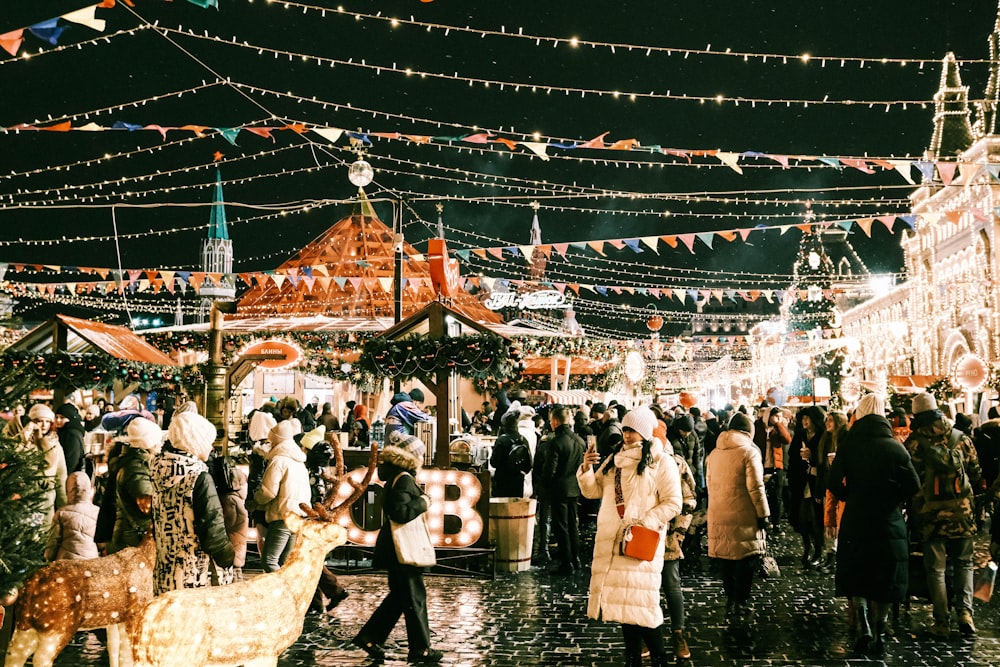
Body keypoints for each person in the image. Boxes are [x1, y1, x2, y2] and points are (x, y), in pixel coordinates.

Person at [577, 406, 682, 667]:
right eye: (625, 429)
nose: (627, 435)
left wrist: (644, 522)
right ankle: (633, 659)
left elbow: (673, 503)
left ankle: (660, 658)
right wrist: (587, 468)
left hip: (640, 541)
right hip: (613, 542)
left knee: (643, 606)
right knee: (625, 607)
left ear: (645, 432)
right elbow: (592, 492)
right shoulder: (615, 460)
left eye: (632, 430)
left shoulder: (660, 461)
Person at [829, 393, 920, 656]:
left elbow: (833, 482)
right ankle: (879, 632)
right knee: (885, 575)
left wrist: (851, 496)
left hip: (856, 518)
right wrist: (893, 498)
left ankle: (863, 625)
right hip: (888, 521)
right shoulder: (895, 447)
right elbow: (913, 486)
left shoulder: (848, 444)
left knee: (858, 572)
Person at [352, 437, 443, 663]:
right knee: (414, 598)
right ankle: (420, 649)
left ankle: (370, 637)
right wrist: (423, 501)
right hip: (402, 550)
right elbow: (400, 512)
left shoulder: (395, 476)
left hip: (395, 548)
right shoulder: (403, 479)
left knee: (400, 599)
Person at [905, 392, 982, 638]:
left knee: (936, 570)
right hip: (963, 513)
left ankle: (941, 621)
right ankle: (966, 614)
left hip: (931, 516)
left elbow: (910, 478)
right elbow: (976, 472)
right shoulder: (961, 438)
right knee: (964, 563)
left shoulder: (916, 442)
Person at [149, 411, 234, 594]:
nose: (211, 447)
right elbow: (213, 531)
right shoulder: (198, 477)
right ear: (195, 442)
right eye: (208, 441)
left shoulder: (158, 470)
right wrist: (228, 556)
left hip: (165, 571)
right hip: (193, 576)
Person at [706, 412, 770, 622]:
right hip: (744, 515)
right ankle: (740, 602)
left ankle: (731, 599)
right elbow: (756, 488)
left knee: (726, 558)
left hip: (719, 511)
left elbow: (709, 485)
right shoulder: (749, 453)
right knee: (745, 560)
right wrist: (764, 515)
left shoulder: (714, 453)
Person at [252, 420, 312, 573]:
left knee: (269, 560)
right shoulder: (299, 462)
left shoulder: (278, 461)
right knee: (284, 563)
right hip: (297, 516)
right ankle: (288, 593)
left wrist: (256, 500)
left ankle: (285, 593)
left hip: (282, 516)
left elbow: (268, 492)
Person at [661, 434, 698, 659]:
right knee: (645, 587)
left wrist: (677, 534)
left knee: (671, 584)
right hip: (640, 533)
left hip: (668, 536)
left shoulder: (676, 463)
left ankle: (678, 632)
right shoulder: (635, 461)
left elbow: (689, 499)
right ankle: (647, 634)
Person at [540, 406, 586, 575]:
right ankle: (576, 558)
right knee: (573, 524)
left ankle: (567, 563)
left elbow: (550, 470)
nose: (551, 423)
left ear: (556, 421)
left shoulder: (555, 442)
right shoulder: (579, 441)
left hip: (559, 488)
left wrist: (544, 485)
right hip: (575, 487)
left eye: (551, 420)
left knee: (561, 526)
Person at [108, 416, 161, 554]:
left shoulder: (134, 462)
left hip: (130, 535)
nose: (160, 445)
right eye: (157, 441)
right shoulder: (136, 468)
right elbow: (147, 505)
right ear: (148, 443)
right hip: (133, 539)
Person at [787, 405, 826, 568]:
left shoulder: (823, 436)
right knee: (802, 519)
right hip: (801, 482)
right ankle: (807, 547)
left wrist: (813, 457)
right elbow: (793, 457)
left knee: (816, 519)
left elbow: (825, 460)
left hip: (816, 482)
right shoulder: (800, 436)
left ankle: (819, 550)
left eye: (807, 418)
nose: (804, 421)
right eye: (802, 418)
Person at [20, 403, 68, 529]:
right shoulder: (25, 443)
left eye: (47, 421)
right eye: (39, 421)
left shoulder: (55, 445)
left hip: (47, 498)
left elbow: (61, 477)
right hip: (27, 497)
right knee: (28, 534)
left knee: (46, 535)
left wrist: (63, 507)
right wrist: (25, 439)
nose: (44, 425)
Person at [44, 470, 99, 561]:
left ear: (68, 490)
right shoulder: (97, 511)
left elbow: (53, 542)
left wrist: (48, 558)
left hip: (66, 561)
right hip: (91, 560)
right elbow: (102, 541)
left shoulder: (61, 513)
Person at [490, 409, 533, 497]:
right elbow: (528, 464)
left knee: (502, 509)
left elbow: (494, 463)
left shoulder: (501, 440)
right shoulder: (523, 439)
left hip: (502, 482)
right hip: (518, 482)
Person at [53, 402, 86, 475]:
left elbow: (71, 460)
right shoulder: (64, 431)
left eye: (62, 417)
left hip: (68, 476)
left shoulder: (71, 434)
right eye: (56, 417)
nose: (58, 420)